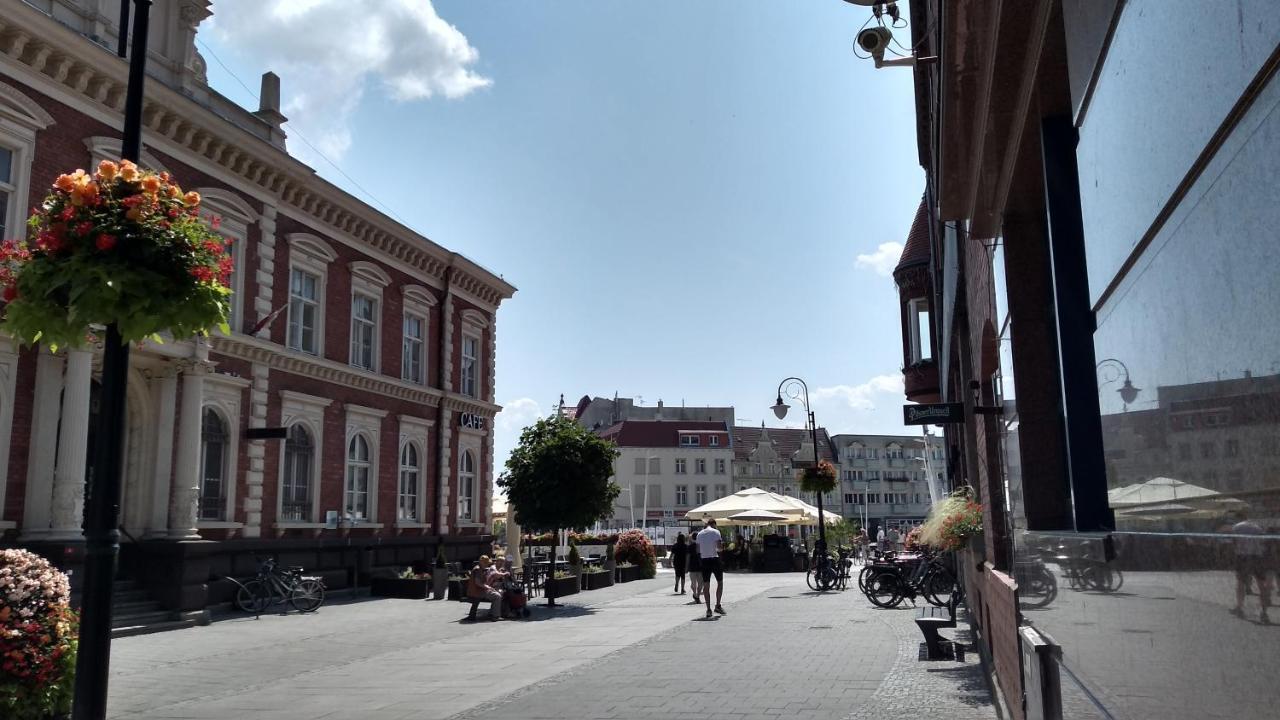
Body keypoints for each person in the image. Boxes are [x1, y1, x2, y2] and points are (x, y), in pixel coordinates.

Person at [1230, 511, 1271, 624]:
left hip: (1243, 556)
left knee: (1240, 582)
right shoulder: (1257, 526)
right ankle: (1264, 611)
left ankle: (1239, 607)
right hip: (1258, 556)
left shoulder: (1237, 527)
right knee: (1261, 584)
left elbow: (1234, 542)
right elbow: (1264, 541)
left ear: (1238, 518)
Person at [697, 519, 726, 618]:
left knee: (706, 585)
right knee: (720, 582)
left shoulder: (699, 534)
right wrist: (721, 547)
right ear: (713, 524)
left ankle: (708, 609)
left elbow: (698, 550)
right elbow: (719, 548)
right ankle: (718, 605)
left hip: (704, 560)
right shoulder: (716, 532)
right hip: (714, 559)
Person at [466, 555, 502, 621]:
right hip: (478, 591)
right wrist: (488, 587)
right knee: (497, 596)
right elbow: (478, 583)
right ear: (483, 563)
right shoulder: (477, 570)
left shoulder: (480, 569)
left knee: (499, 592)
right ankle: (495, 616)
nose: (487, 565)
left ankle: (492, 613)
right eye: (486, 563)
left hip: (479, 590)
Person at [688, 529, 704, 603]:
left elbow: (687, 557)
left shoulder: (690, 547)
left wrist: (686, 567)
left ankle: (695, 594)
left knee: (693, 583)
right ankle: (697, 595)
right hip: (700, 567)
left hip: (692, 567)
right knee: (700, 583)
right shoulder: (701, 546)